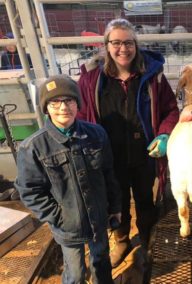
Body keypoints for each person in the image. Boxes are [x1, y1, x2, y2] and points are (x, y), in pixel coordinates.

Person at [77, 18, 179, 268]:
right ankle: (121, 240)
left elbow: (170, 110)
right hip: (109, 156)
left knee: (145, 199)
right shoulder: (92, 81)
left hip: (145, 153)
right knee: (116, 201)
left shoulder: (152, 77)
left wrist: (164, 134)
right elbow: (79, 114)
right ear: (107, 45)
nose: (123, 49)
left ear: (136, 45)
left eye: (129, 42)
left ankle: (147, 240)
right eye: (116, 42)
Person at [15, 74, 121, 283]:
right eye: (55, 102)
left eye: (69, 100)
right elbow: (30, 191)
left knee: (101, 262)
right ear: (46, 108)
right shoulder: (33, 147)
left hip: (98, 219)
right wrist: (58, 216)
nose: (63, 107)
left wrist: (115, 206)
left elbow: (109, 172)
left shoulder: (97, 134)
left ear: (77, 104)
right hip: (68, 226)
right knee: (75, 273)